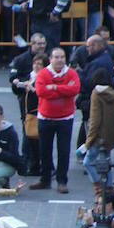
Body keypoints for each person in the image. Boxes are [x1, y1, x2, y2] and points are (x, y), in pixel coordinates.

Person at [31, 48, 81, 193]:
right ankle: (45, 180)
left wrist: (53, 87)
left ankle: (62, 181)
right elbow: (41, 92)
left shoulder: (71, 73)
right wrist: (64, 89)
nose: (59, 60)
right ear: (51, 59)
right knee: (45, 151)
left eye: (62, 57)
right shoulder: (43, 73)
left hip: (65, 119)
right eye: (56, 57)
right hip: (45, 118)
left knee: (64, 151)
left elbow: (75, 90)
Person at [83, 68, 114, 187]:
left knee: (88, 162)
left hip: (98, 136)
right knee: (107, 164)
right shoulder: (112, 92)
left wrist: (88, 141)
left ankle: (99, 187)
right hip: (110, 135)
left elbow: (95, 120)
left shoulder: (96, 94)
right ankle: (109, 188)